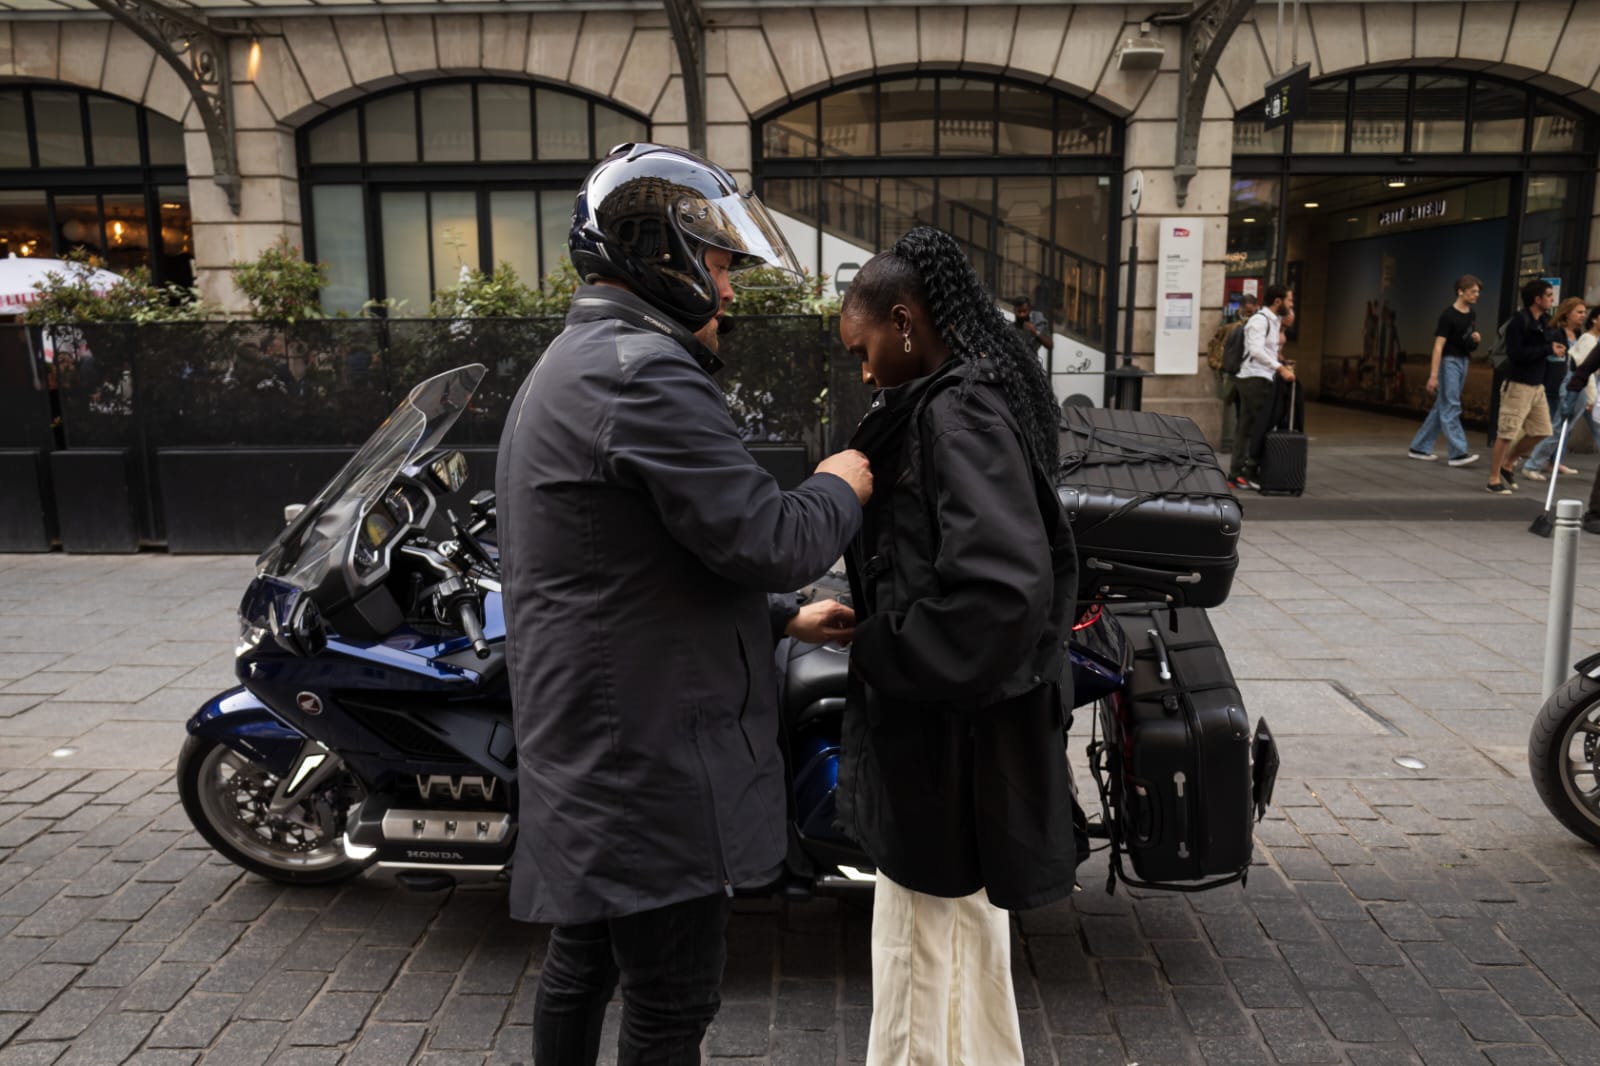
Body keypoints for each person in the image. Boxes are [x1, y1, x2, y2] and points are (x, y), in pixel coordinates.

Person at [494, 143, 873, 1066]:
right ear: (656, 251)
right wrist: (841, 483)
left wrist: (783, 616)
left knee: (581, 962)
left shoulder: (585, 356)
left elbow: (634, 562)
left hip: (598, 736)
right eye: (716, 264)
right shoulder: (643, 372)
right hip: (648, 761)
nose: (729, 291)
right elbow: (769, 536)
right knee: (671, 1001)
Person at [836, 227, 1080, 1066]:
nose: (864, 371)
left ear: (904, 322)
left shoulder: (957, 411)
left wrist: (878, 645)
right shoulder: (961, 398)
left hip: (941, 749)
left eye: (864, 349)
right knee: (960, 952)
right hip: (956, 740)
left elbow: (998, 594)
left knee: (919, 959)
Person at [1488, 279, 1560, 493]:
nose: (1552, 299)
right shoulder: (1519, 322)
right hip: (1518, 385)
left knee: (1543, 430)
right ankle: (1493, 479)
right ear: (1537, 299)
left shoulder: (1544, 321)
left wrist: (1551, 347)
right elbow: (1517, 354)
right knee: (1506, 433)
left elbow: (1542, 346)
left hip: (1537, 386)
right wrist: (1547, 350)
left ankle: (1508, 463)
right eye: (1548, 295)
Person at [1406, 274, 1483, 467]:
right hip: (1449, 362)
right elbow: (1438, 346)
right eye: (1473, 291)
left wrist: (1475, 340)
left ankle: (1419, 447)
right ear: (1461, 292)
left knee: (1443, 405)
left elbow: (1465, 343)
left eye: (1478, 292)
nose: (1477, 295)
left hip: (1463, 360)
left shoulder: (1471, 314)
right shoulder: (1447, 316)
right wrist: (1433, 375)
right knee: (1451, 406)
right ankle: (1458, 453)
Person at [1229, 283, 1295, 491]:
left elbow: (1267, 350)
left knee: (1246, 426)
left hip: (1257, 377)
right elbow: (1256, 350)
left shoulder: (1273, 321)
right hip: (1254, 379)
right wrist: (1280, 369)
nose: (1291, 304)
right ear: (1278, 301)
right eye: (1289, 300)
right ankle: (1250, 471)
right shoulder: (1260, 321)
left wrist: (1282, 363)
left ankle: (1236, 473)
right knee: (1263, 425)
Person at [1527, 302, 1600, 479]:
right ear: (1596, 320)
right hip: (1578, 385)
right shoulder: (1588, 340)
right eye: (1579, 312)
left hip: (1585, 386)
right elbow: (1585, 371)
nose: (1582, 315)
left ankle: (1548, 462)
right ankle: (1533, 464)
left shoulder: (1587, 338)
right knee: (1560, 426)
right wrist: (1592, 398)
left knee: (1591, 427)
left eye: (1584, 312)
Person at [1206, 292, 1258, 447]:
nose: (1249, 314)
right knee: (1230, 405)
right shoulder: (1230, 321)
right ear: (1241, 308)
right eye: (1246, 311)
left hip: (1249, 373)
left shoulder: (1258, 322)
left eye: (1252, 311)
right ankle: (1230, 440)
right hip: (1231, 371)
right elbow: (1217, 341)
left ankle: (1240, 442)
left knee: (1245, 410)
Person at [1011, 296, 1053, 361]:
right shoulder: (1009, 328)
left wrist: (1035, 332)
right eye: (1019, 312)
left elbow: (1050, 345)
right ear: (1014, 311)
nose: (1022, 315)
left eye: (1024, 311)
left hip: (1032, 366)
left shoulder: (1037, 325)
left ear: (1029, 310)